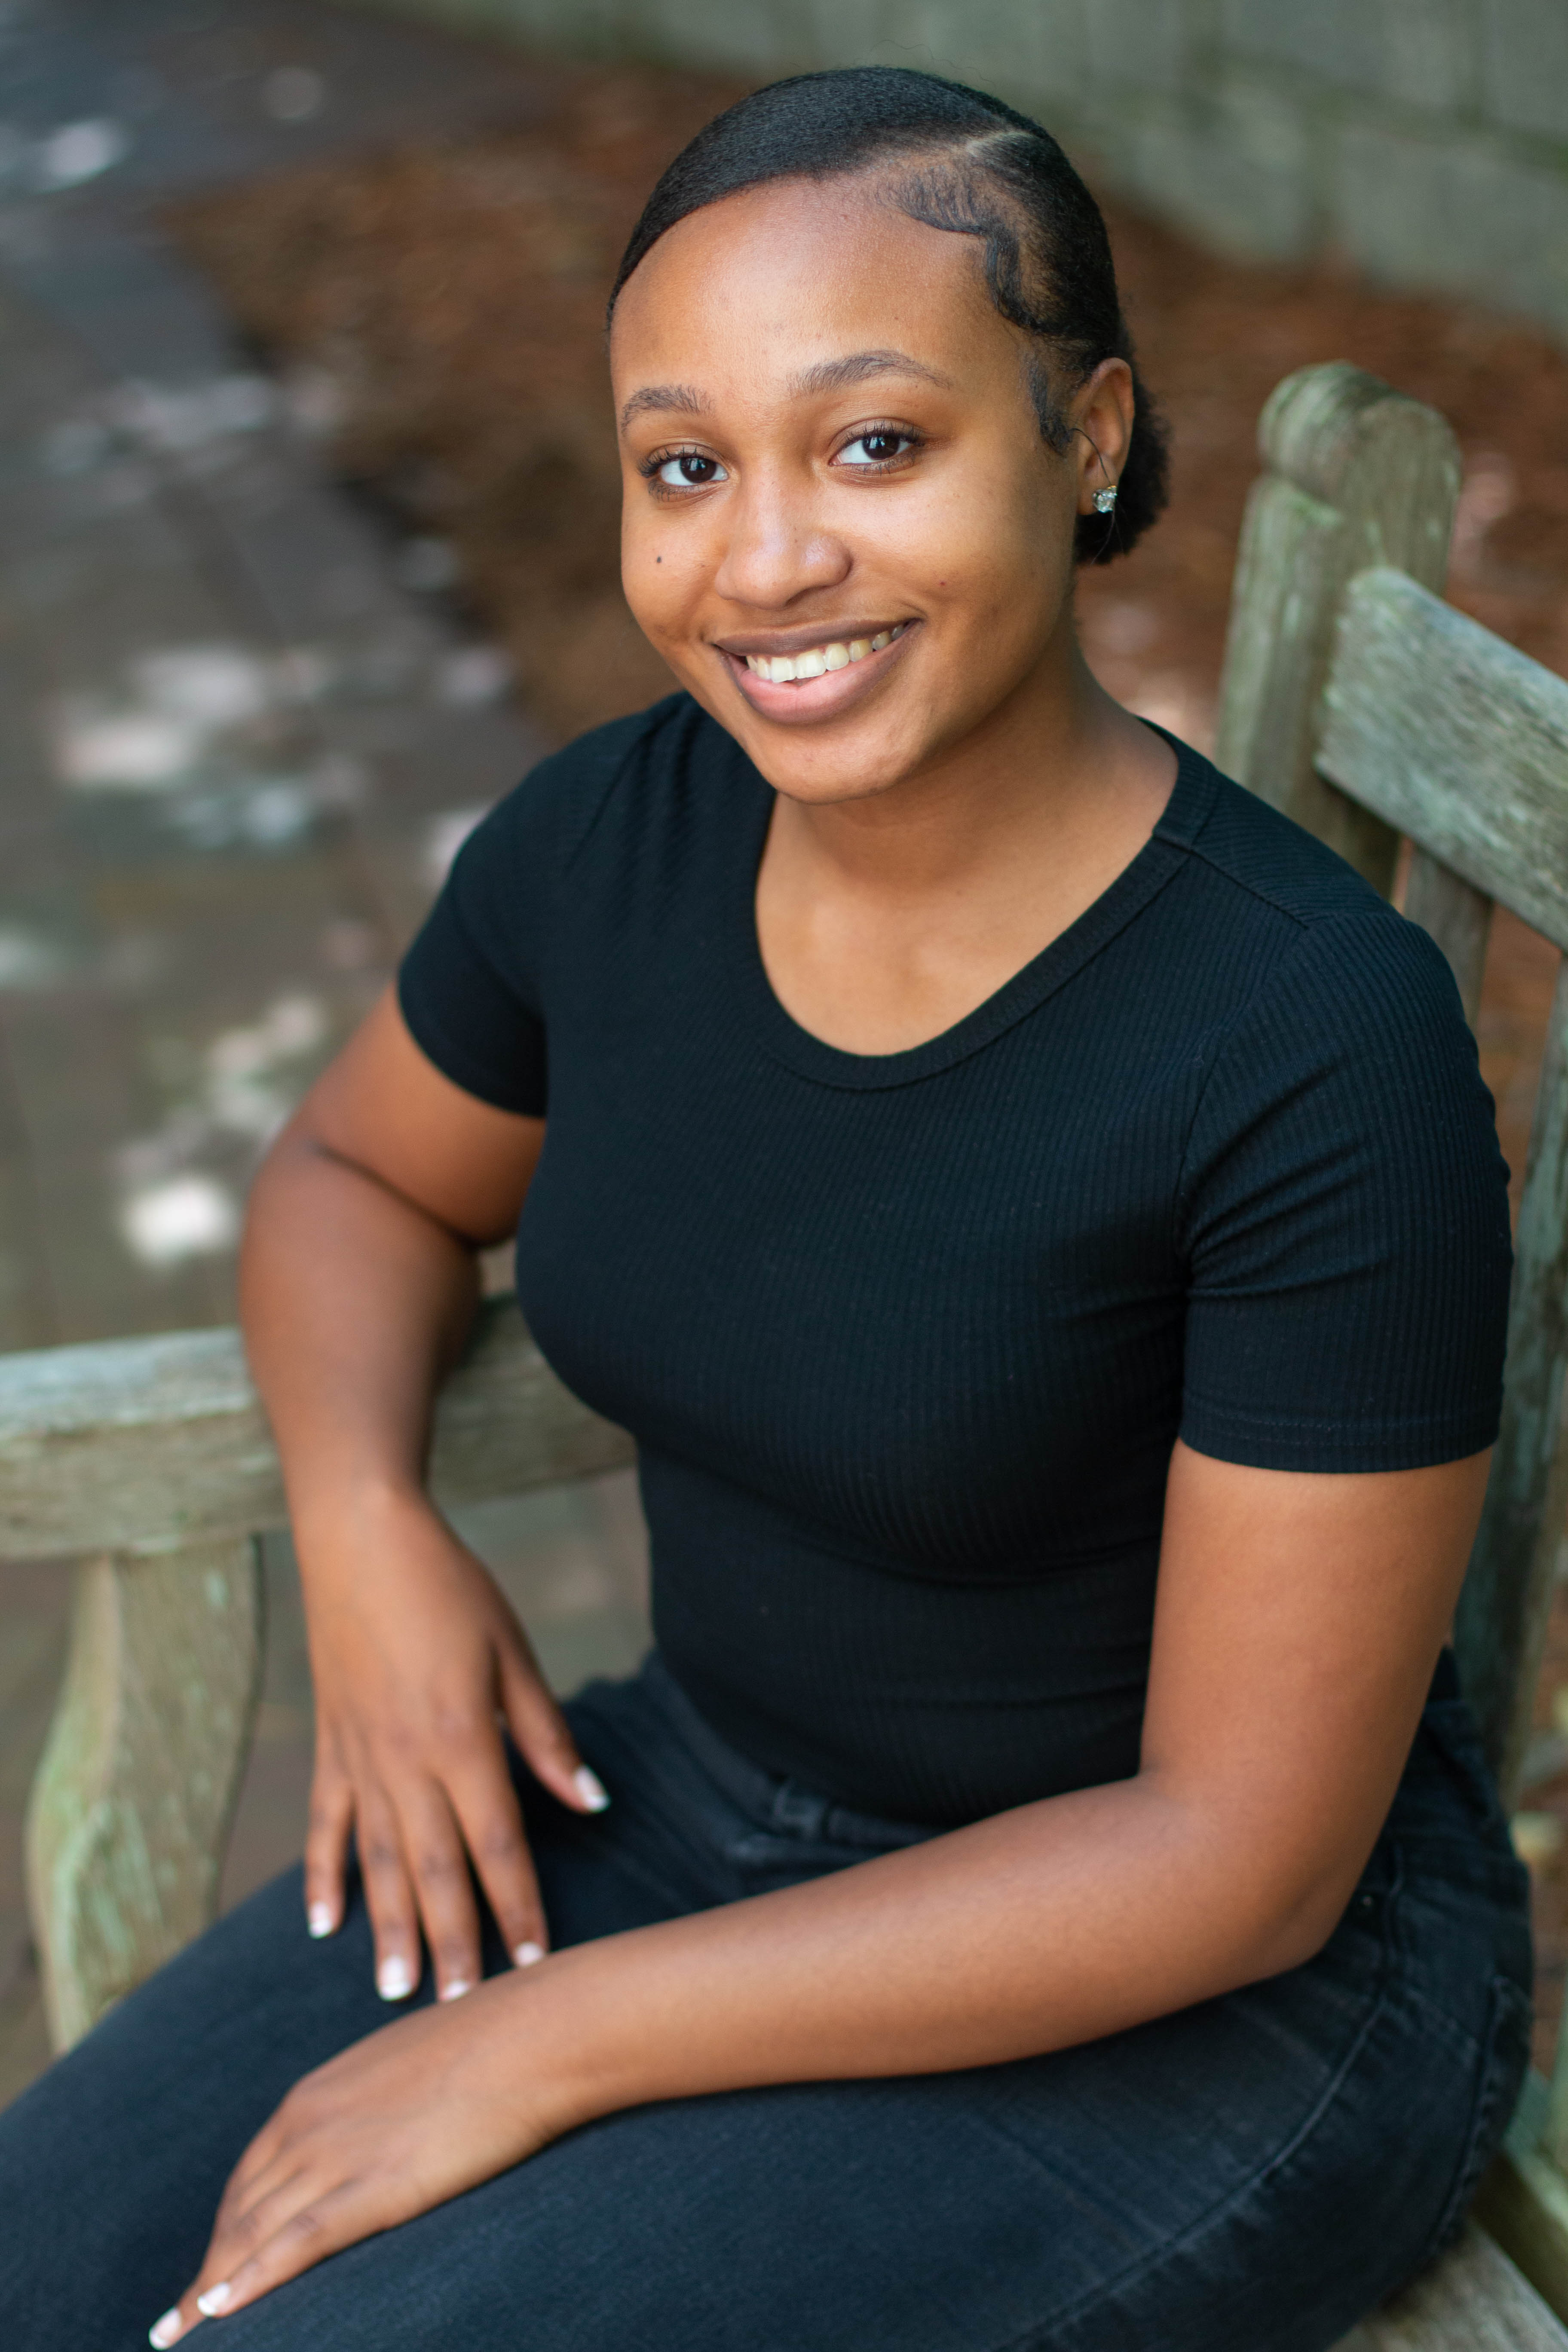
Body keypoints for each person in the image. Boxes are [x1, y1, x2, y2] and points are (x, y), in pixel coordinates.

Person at [0, 66, 1531, 2352]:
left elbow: (1238, 1859)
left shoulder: (1310, 1042)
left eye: (875, 443)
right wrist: (368, 1526)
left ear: (1089, 437)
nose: (765, 560)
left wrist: (535, 2041)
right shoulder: (614, 841)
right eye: (685, 466)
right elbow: (351, 1175)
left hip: (1205, 1997)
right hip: (686, 1796)